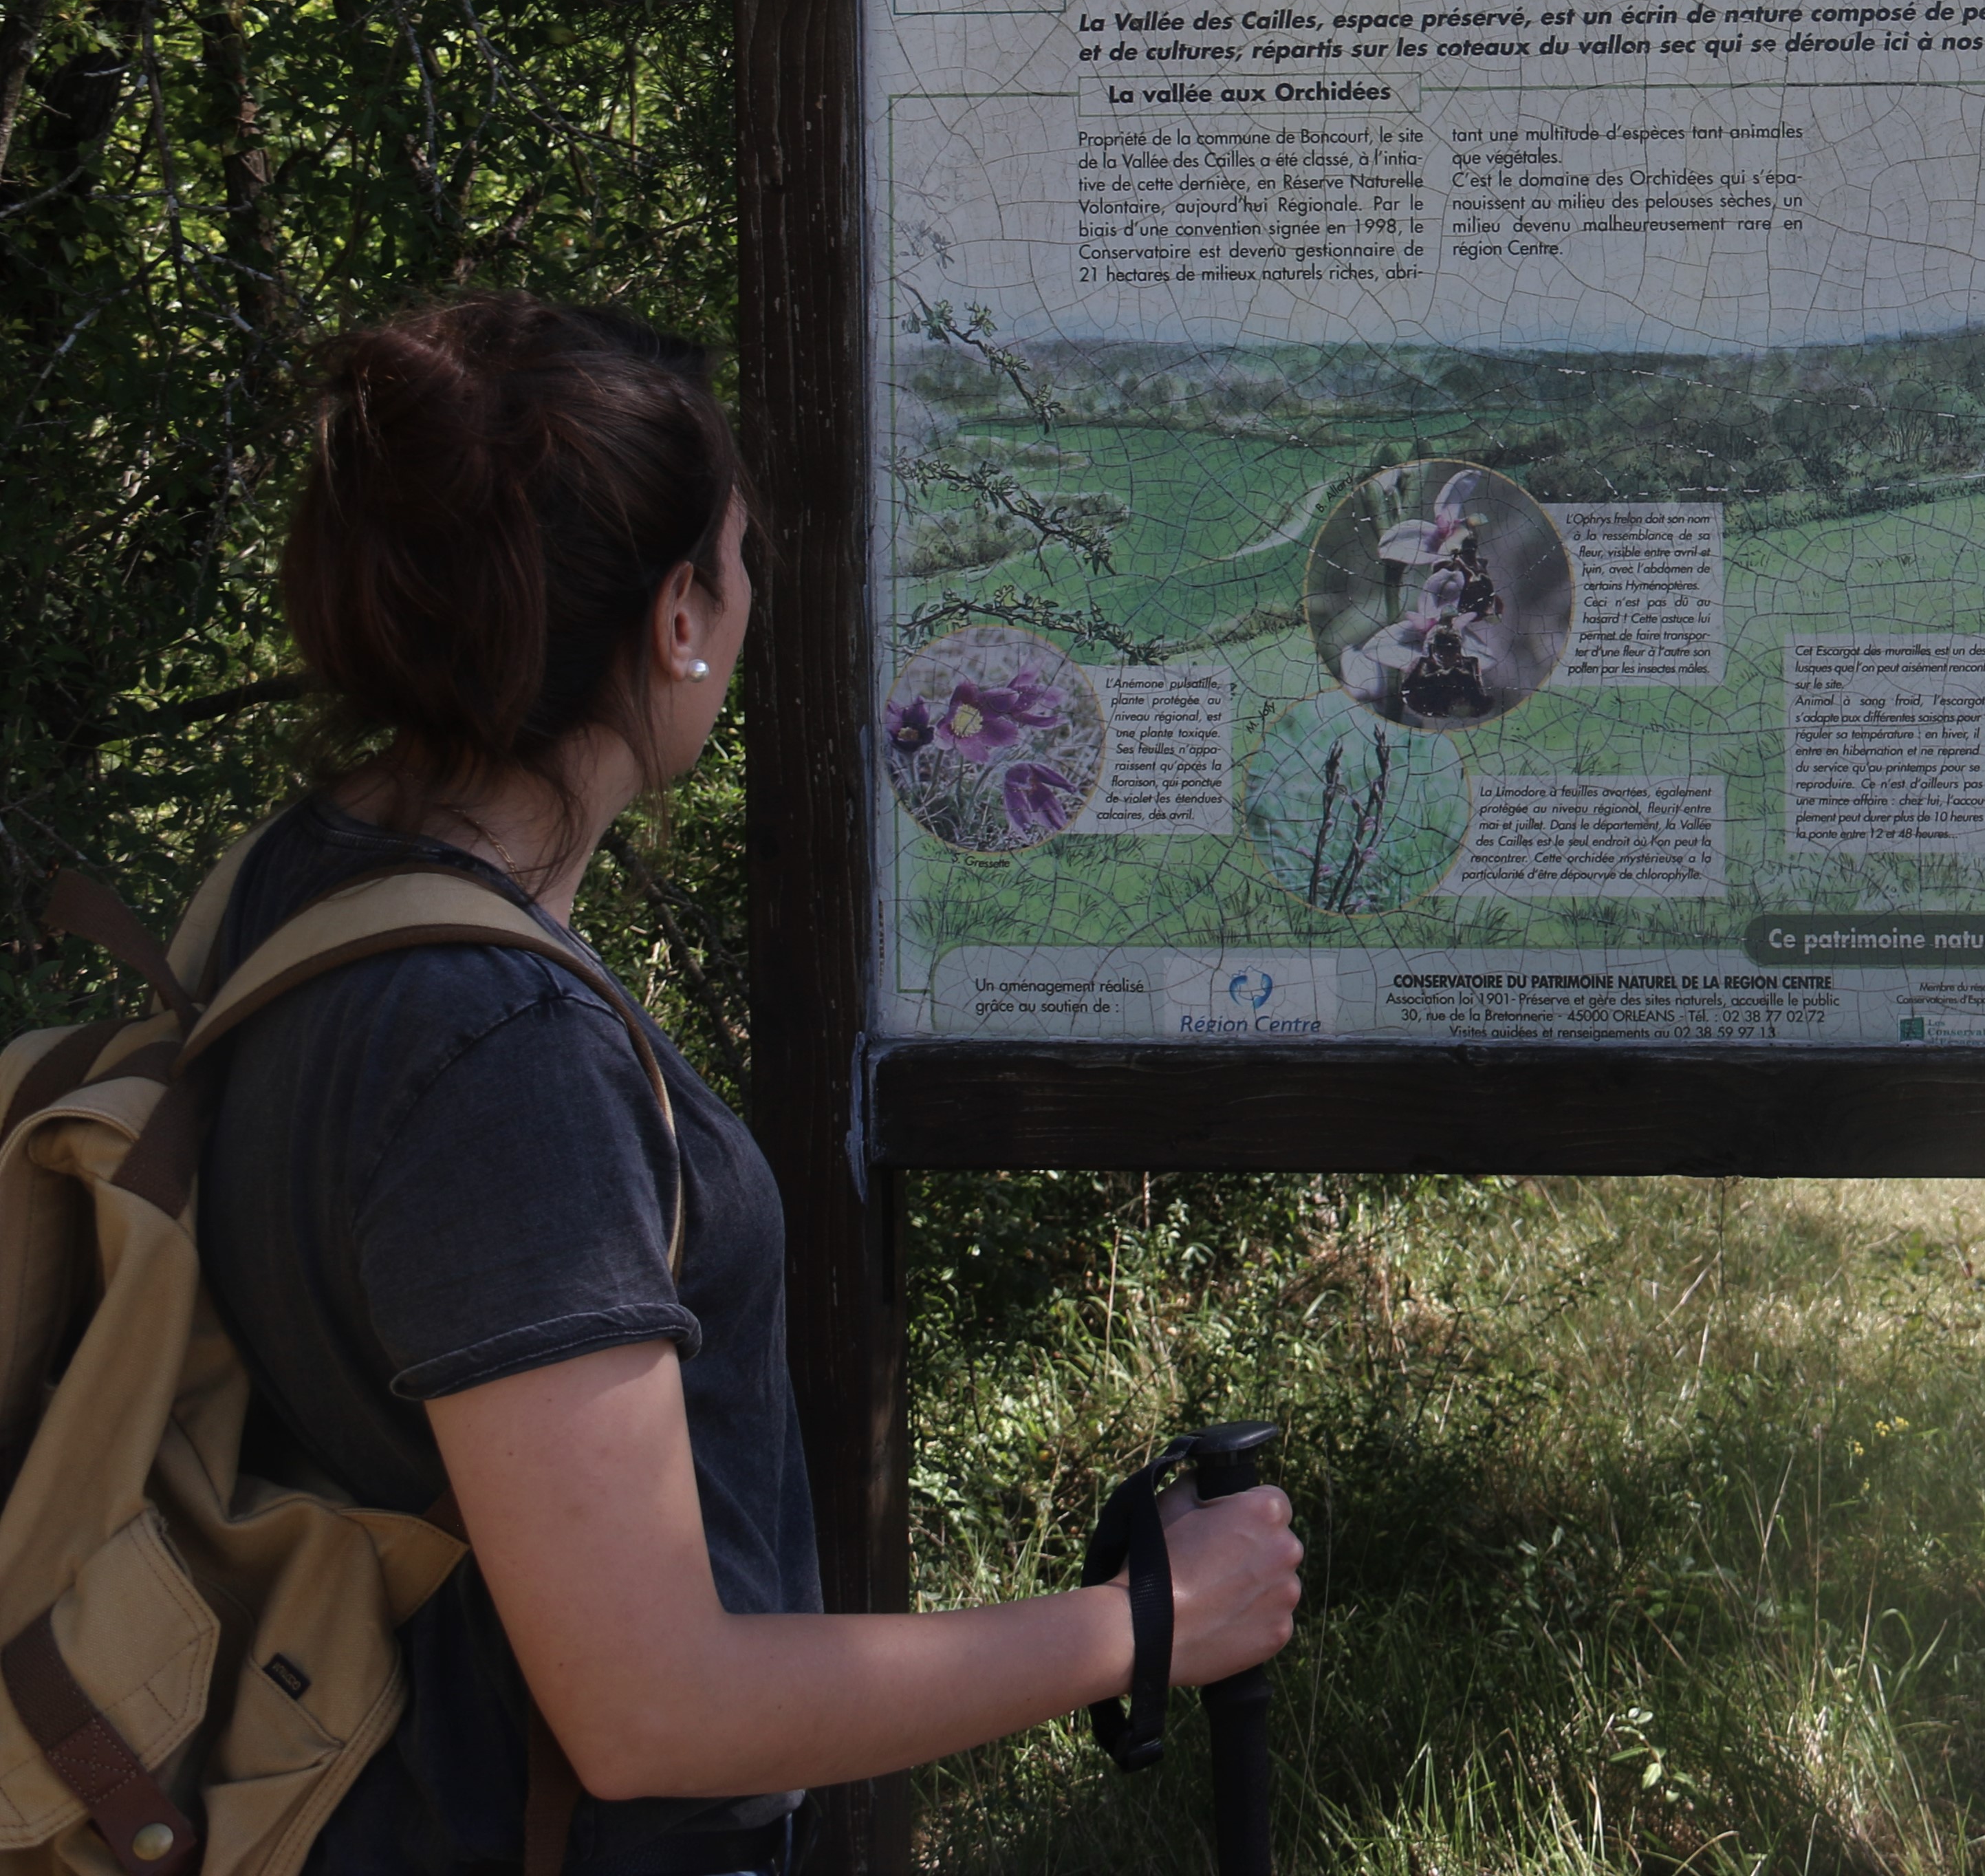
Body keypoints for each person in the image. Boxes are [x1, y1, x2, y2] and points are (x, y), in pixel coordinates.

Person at [198, 295, 1300, 1873]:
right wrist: (1152, 1620)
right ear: (676, 619)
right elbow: (651, 1709)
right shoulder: (499, 1057)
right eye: (737, 556)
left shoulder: (298, 889)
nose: (747, 593)